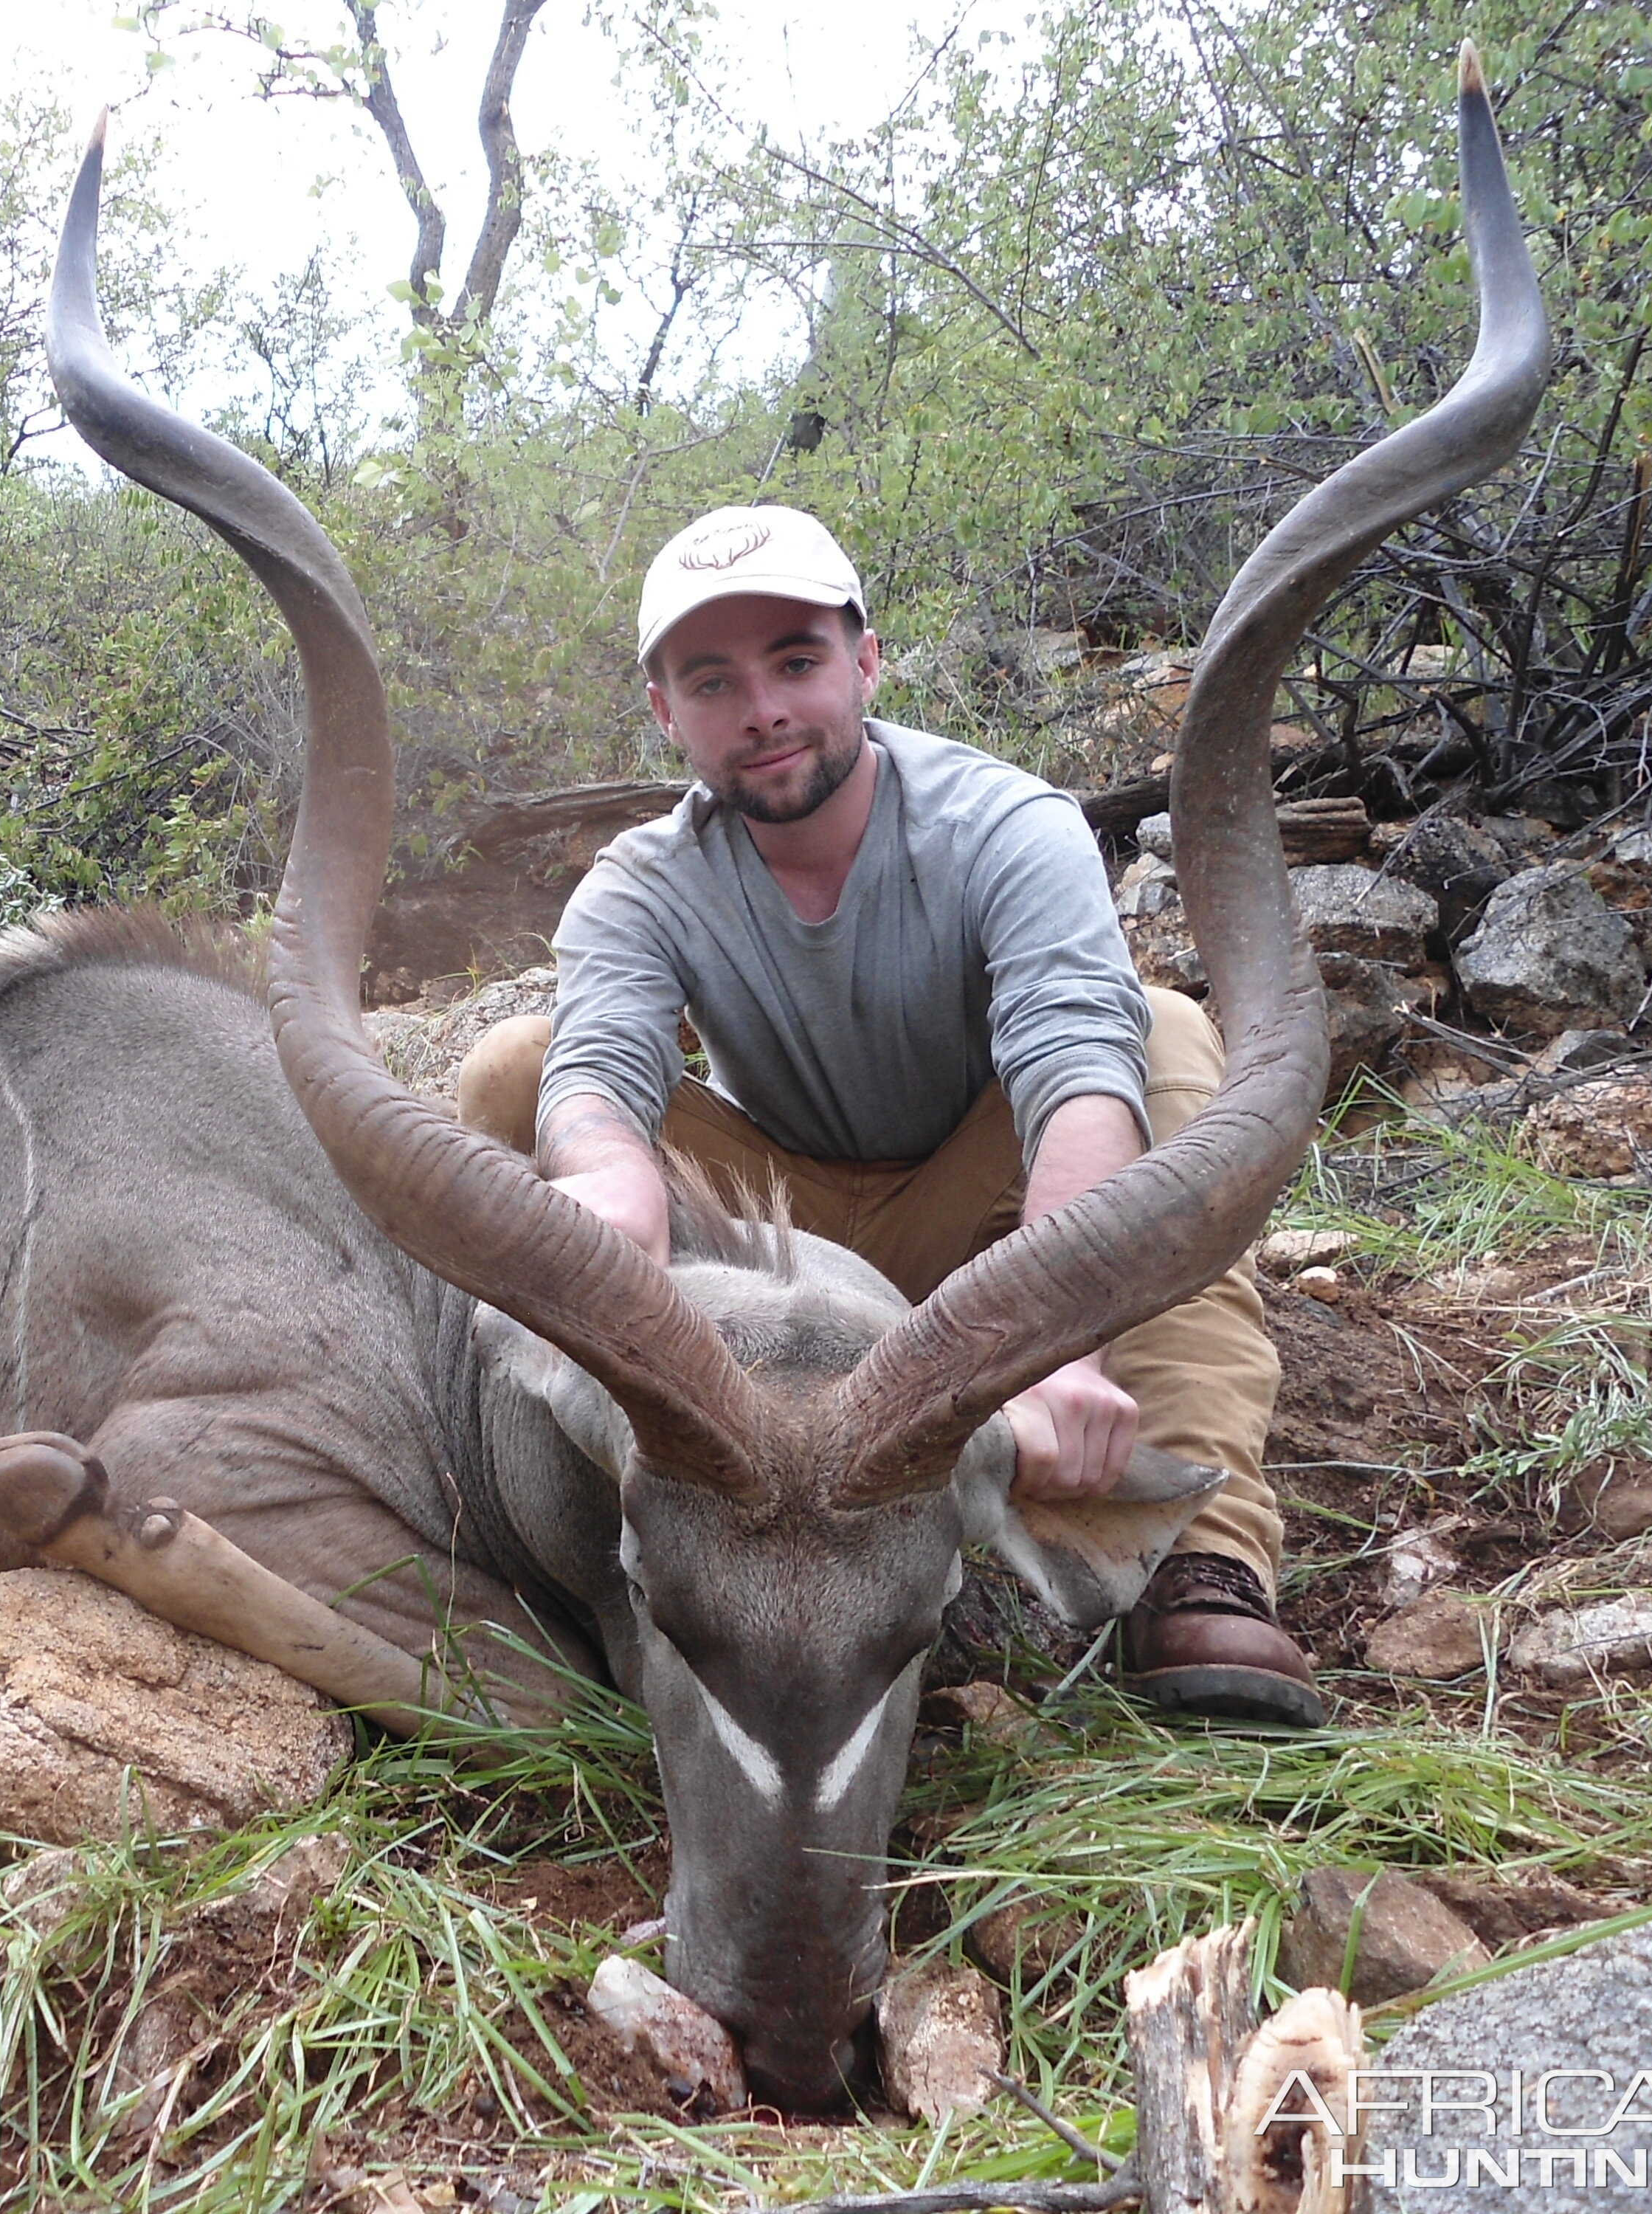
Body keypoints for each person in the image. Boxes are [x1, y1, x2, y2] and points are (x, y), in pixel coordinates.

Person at [452, 503, 1321, 1727]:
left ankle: (1201, 1555)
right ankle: (587, 1522)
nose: (762, 709)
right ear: (665, 713)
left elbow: (1074, 1068)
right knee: (513, 1073)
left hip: (990, 1229)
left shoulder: (1005, 823)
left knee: (1165, 1041)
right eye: (714, 681)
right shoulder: (641, 881)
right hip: (776, 1239)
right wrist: (606, 1210)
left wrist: (1056, 1341)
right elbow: (601, 1071)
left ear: (865, 660)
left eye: (797, 661)